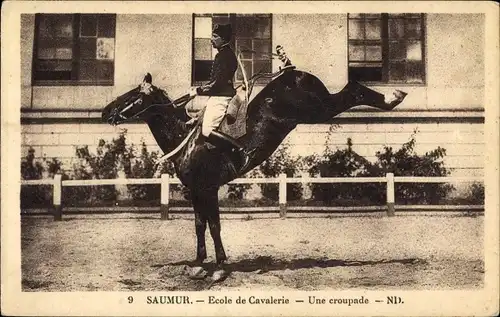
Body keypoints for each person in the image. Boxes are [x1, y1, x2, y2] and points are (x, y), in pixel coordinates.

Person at [189, 23, 255, 171]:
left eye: (215, 36)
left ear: (223, 39)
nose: (211, 39)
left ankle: (240, 151)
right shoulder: (224, 54)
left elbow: (217, 84)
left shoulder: (224, 56)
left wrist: (198, 91)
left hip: (221, 97)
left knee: (206, 131)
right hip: (217, 96)